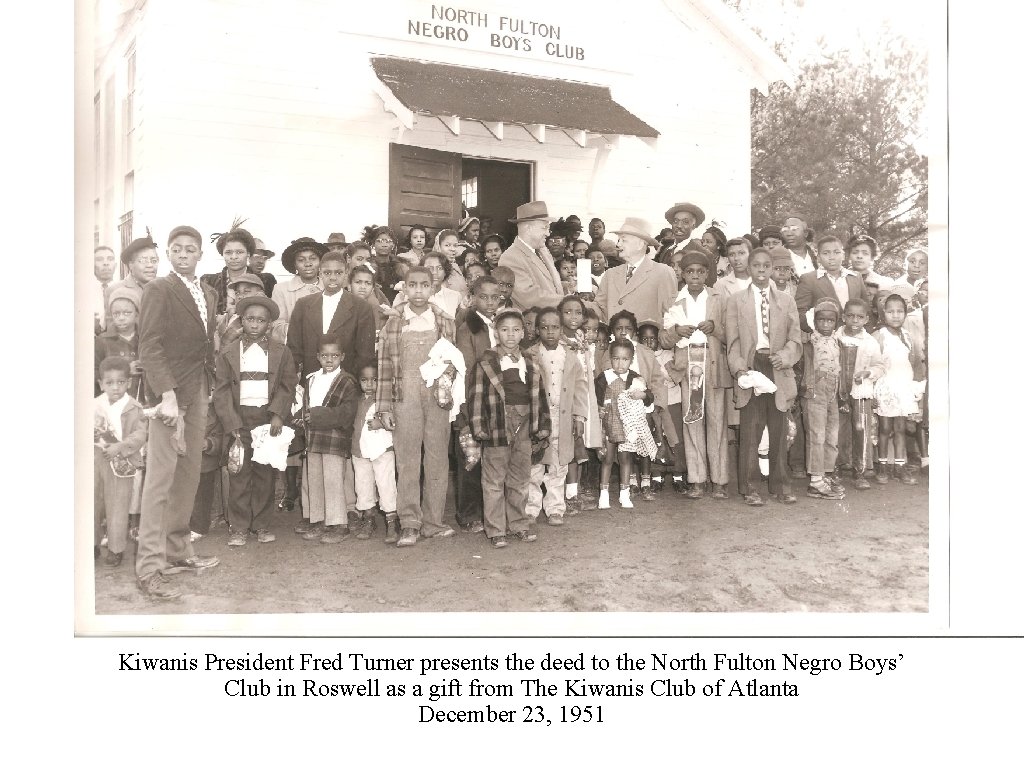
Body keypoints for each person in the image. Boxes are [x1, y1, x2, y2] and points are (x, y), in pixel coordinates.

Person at [136, 224, 220, 600]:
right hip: (169, 396)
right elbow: (149, 346)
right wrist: (167, 396)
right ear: (169, 253)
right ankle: (149, 568)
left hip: (198, 390)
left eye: (190, 249)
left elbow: (204, 345)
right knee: (159, 481)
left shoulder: (208, 292)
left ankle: (177, 549)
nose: (183, 254)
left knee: (188, 475)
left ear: (200, 254)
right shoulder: (158, 289)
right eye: (177, 249)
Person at [376, 265, 460, 547]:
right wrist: (384, 407)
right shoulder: (394, 323)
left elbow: (453, 364)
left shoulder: (446, 321)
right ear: (405, 288)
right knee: (407, 459)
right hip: (404, 397)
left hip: (437, 397)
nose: (419, 291)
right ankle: (409, 523)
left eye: (425, 285)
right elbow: (384, 367)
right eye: (413, 285)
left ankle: (433, 522)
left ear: (433, 287)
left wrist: (447, 392)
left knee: (437, 458)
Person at [213, 295, 297, 545]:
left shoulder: (281, 352)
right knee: (239, 472)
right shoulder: (229, 352)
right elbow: (222, 391)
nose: (255, 324)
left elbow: (287, 384)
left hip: (267, 418)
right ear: (242, 321)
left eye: (261, 320)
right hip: (239, 418)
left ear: (269, 324)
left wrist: (278, 414)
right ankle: (238, 527)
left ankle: (261, 525)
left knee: (264, 474)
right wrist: (232, 423)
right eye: (250, 319)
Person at [725, 246, 803, 507]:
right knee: (751, 429)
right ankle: (749, 487)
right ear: (749, 268)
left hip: (777, 364)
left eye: (765, 266)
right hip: (752, 366)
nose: (761, 270)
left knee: (779, 428)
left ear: (772, 269)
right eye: (756, 265)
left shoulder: (786, 300)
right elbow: (733, 341)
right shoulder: (737, 300)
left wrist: (786, 355)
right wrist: (739, 368)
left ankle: (780, 485)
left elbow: (795, 338)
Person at [467, 307, 550, 548]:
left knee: (520, 478)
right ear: (496, 332)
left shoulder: (530, 362)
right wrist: (478, 425)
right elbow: (475, 396)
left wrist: (542, 425)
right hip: (497, 424)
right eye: (504, 330)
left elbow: (539, 396)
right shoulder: (486, 361)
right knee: (493, 479)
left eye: (516, 330)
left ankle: (519, 524)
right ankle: (496, 530)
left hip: (524, 424)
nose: (510, 335)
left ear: (524, 332)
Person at [660, 250, 729, 500]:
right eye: (690, 272)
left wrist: (715, 328)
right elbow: (664, 339)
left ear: (708, 274)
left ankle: (719, 480)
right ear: (683, 273)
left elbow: (731, 333)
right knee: (693, 421)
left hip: (712, 364)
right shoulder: (674, 300)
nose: (695, 276)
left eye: (701, 272)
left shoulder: (719, 298)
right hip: (689, 365)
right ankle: (697, 479)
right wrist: (677, 331)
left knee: (717, 421)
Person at [524, 306, 589, 526]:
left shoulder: (570, 356)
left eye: (555, 327)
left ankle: (555, 508)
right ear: (537, 330)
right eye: (544, 328)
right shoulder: (530, 355)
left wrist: (579, 417)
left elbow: (581, 388)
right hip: (538, 416)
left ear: (562, 329)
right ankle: (530, 507)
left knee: (559, 464)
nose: (550, 332)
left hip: (562, 416)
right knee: (534, 463)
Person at [299, 334, 360, 543]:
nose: (329, 359)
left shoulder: (347, 381)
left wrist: (318, 415)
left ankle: (339, 524)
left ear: (342, 357)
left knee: (333, 482)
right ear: (318, 356)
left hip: (334, 438)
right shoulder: (312, 379)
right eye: (325, 355)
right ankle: (319, 520)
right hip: (314, 438)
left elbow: (347, 412)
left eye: (334, 355)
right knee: (315, 480)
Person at [454, 275, 503, 534]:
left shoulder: (503, 324)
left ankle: (492, 510)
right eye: (483, 297)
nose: (489, 302)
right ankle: (468, 512)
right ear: (473, 298)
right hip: (475, 399)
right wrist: (471, 405)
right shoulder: (468, 328)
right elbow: (468, 368)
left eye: (494, 297)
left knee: (495, 457)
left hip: (500, 398)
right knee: (470, 458)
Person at [287, 250, 376, 381]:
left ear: (346, 273)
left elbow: (365, 354)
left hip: (345, 383)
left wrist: (350, 382)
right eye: (327, 273)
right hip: (309, 381)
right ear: (320, 273)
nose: (333, 278)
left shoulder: (361, 308)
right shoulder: (303, 305)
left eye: (338, 273)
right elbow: (294, 348)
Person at [94, 356, 148, 567]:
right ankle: (92, 544)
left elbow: (140, 435)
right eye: (109, 383)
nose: (115, 387)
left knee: (117, 505)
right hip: (96, 458)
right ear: (101, 384)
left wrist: (120, 446)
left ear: (129, 382)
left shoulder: (134, 407)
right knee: (92, 502)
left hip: (121, 461)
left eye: (120, 382)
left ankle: (116, 549)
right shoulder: (94, 405)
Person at [595, 339, 653, 509]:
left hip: (628, 425)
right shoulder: (603, 378)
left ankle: (624, 494)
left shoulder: (636, 378)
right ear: (610, 359)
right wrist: (599, 409)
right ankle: (603, 495)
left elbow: (650, 397)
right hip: (608, 423)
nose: (620, 364)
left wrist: (641, 395)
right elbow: (595, 400)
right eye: (616, 359)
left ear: (631, 359)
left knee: (626, 458)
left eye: (625, 359)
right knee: (607, 458)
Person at [872, 294, 924, 485]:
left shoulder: (908, 337)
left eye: (900, 311)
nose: (895, 315)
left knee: (901, 428)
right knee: (885, 428)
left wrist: (915, 389)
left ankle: (900, 467)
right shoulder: (879, 336)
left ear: (905, 313)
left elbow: (913, 363)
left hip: (902, 387)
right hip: (885, 387)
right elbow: (873, 364)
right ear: (883, 313)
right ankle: (883, 466)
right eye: (891, 311)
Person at [800, 297, 847, 500]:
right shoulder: (809, 342)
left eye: (830, 320)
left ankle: (826, 474)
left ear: (836, 322)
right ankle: (815, 481)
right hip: (815, 391)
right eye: (821, 320)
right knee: (816, 435)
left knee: (831, 436)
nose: (826, 324)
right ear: (815, 321)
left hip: (833, 391)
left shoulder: (839, 342)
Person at [836, 297, 885, 491]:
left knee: (861, 429)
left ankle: (860, 471)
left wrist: (868, 373)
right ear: (843, 317)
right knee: (838, 430)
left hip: (861, 391)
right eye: (850, 316)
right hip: (838, 391)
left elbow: (880, 365)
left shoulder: (870, 341)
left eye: (859, 317)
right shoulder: (835, 337)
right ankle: (838, 468)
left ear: (866, 320)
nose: (855, 321)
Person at [596, 217, 677, 326]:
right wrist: (576, 303)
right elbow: (599, 309)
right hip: (614, 341)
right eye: (618, 240)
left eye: (623, 240)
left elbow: (670, 315)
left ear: (640, 244)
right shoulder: (610, 274)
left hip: (645, 342)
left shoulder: (663, 272)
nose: (618, 245)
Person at [350, 363, 397, 541]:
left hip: (382, 449)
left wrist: (382, 423)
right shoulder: (356, 400)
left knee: (386, 485)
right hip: (360, 450)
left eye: (374, 380)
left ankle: (392, 522)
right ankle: (369, 519)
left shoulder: (386, 400)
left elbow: (395, 421)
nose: (369, 384)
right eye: (364, 380)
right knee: (363, 486)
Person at [795, 235, 868, 333]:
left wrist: (864, 333)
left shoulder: (856, 277)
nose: (832, 257)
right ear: (819, 257)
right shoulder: (809, 279)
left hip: (855, 337)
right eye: (826, 253)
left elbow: (867, 309)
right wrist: (819, 331)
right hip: (824, 339)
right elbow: (799, 313)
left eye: (836, 252)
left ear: (843, 255)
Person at [499, 201, 564, 311]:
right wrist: (567, 302)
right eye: (544, 228)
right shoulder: (510, 258)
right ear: (528, 228)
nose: (548, 233)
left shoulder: (543, 250)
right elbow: (530, 297)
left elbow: (549, 285)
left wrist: (566, 287)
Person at [271, 237, 326, 343]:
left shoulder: (330, 287)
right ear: (295, 264)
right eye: (301, 260)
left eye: (313, 258)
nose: (308, 263)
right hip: (295, 349)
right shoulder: (281, 289)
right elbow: (276, 327)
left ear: (320, 262)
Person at [202, 226, 265, 318]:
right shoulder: (207, 281)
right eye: (228, 252)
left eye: (239, 252)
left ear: (248, 253)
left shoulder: (265, 280)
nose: (234, 257)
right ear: (222, 254)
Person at [95, 287, 143, 402]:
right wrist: (125, 370)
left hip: (143, 401)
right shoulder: (102, 341)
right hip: (113, 402)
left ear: (136, 314)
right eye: (116, 313)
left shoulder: (145, 339)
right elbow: (94, 373)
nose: (121, 318)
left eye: (127, 313)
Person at [104, 236, 159, 328]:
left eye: (154, 261)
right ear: (131, 265)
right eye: (143, 261)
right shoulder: (114, 290)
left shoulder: (164, 287)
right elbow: (112, 330)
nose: (150, 265)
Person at [392, 251, 463, 318]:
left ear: (445, 272)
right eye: (429, 268)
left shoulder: (455, 296)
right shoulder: (404, 296)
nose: (435, 272)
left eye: (439, 268)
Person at [215, 273, 267, 351]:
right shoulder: (231, 316)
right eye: (237, 293)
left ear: (260, 294)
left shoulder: (262, 321)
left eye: (246, 292)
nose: (239, 296)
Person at [434, 229, 470, 295]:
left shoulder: (455, 266)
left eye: (455, 245)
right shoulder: (436, 269)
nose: (452, 249)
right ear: (439, 246)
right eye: (447, 245)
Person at [94, 246, 116, 333]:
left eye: (110, 259)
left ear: (116, 265)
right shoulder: (84, 292)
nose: (106, 263)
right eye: (99, 259)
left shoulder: (123, 289)